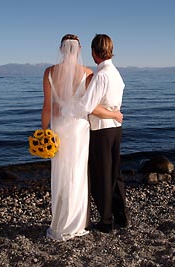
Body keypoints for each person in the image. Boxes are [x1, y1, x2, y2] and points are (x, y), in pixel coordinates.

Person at [41, 34, 123, 241]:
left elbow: (47, 107)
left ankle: (60, 221)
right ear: (79, 50)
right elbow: (92, 107)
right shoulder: (87, 73)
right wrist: (114, 114)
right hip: (78, 128)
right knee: (78, 173)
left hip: (59, 127)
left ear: (61, 49)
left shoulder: (49, 72)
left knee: (60, 172)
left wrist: (43, 132)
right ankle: (78, 221)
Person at [62, 34, 128, 234]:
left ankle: (106, 222)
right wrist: (115, 114)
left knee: (101, 176)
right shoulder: (116, 72)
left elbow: (87, 106)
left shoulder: (101, 75)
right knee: (115, 174)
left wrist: (67, 108)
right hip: (115, 130)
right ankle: (122, 217)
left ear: (94, 52)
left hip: (102, 130)